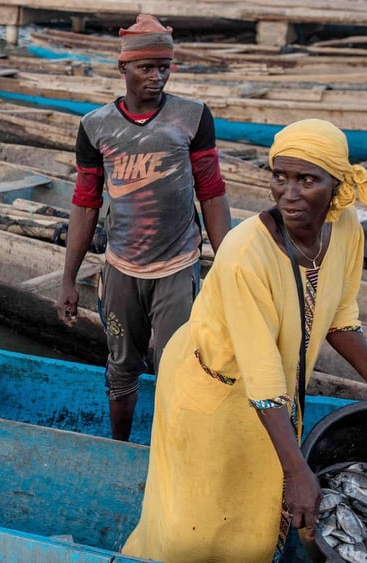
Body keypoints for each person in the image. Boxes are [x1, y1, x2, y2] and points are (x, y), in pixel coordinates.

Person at [122, 118, 367, 561]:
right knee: (190, 524)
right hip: (211, 392)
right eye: (280, 177)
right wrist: (299, 472)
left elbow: (341, 318)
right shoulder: (244, 253)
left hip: (271, 397)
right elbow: (261, 368)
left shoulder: (348, 229)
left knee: (251, 522)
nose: (289, 194)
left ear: (337, 185)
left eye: (307, 180)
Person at [55, 14, 233, 441]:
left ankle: (171, 454)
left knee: (179, 366)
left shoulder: (192, 117)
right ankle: (121, 447)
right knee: (121, 367)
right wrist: (67, 279)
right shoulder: (96, 127)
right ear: (123, 69)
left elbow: (210, 192)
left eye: (164, 67)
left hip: (176, 268)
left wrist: (228, 268)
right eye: (146, 68)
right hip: (121, 269)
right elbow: (85, 203)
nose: (157, 77)